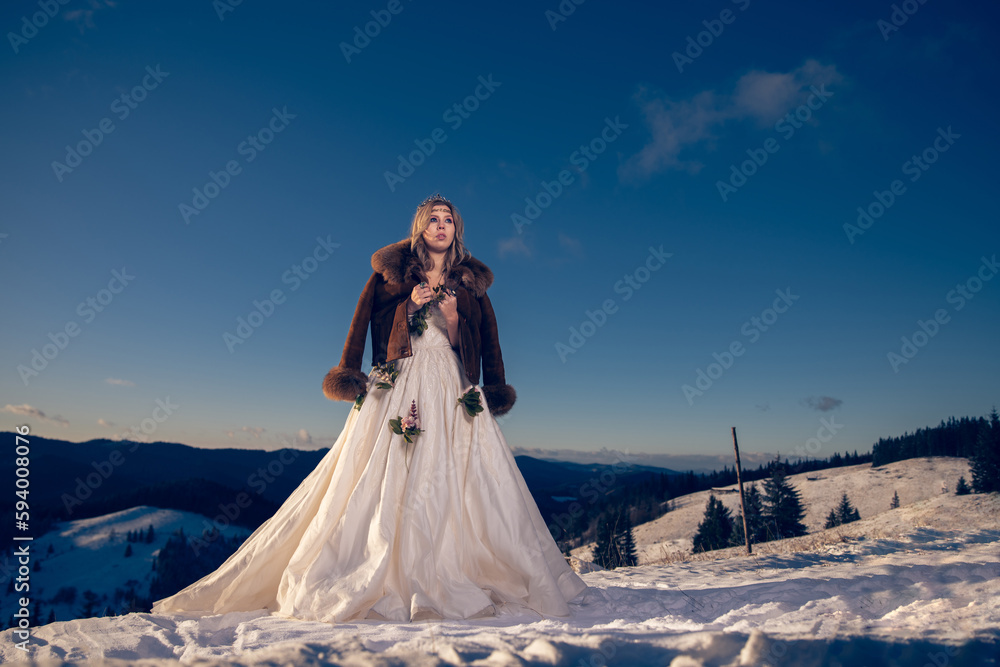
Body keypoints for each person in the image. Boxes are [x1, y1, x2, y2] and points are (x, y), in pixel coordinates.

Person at [151, 193, 589, 623]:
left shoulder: (471, 284)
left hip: (452, 385)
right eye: (433, 218)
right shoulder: (390, 276)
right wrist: (402, 313)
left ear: (456, 230)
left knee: (464, 474)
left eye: (448, 220)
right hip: (398, 377)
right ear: (420, 227)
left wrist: (454, 319)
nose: (441, 225)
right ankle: (375, 563)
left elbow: (486, 345)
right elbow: (361, 322)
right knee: (377, 467)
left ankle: (461, 564)